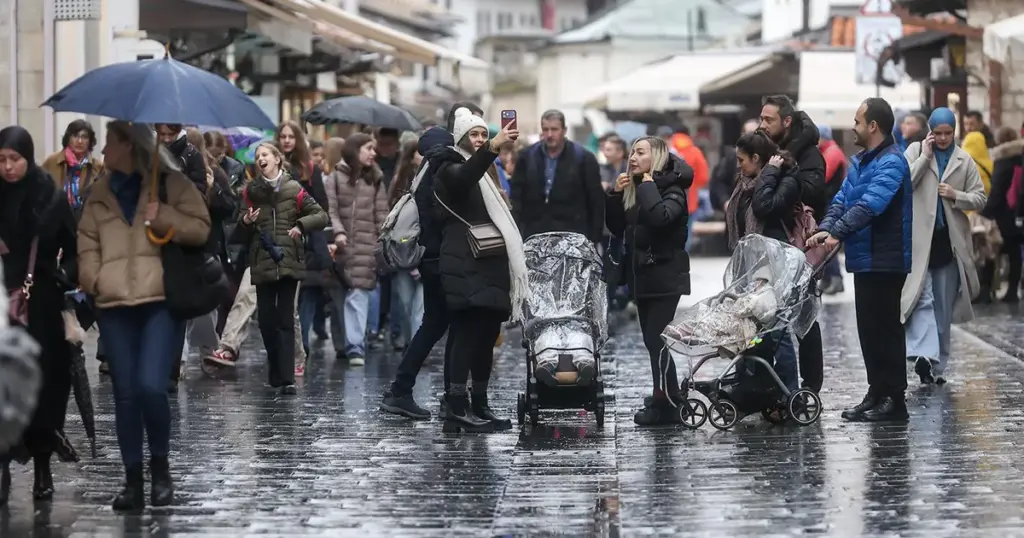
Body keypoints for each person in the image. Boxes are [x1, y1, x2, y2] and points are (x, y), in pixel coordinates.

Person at [78, 121, 211, 510]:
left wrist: (163, 216)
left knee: (152, 387)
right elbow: (86, 240)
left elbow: (201, 227)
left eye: (109, 145)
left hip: (159, 302)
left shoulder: (170, 183)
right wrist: (94, 278)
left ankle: (161, 468)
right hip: (114, 304)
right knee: (126, 394)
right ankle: (133, 479)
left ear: (129, 147)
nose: (103, 152)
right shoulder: (100, 192)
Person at [807, 97, 912, 423]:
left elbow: (871, 204)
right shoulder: (862, 161)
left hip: (886, 258)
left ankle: (894, 399)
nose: (852, 127)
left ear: (873, 126)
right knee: (868, 329)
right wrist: (826, 228)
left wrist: (839, 233)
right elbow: (842, 200)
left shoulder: (892, 162)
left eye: (856, 121)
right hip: (865, 259)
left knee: (886, 330)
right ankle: (876, 391)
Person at [434, 107, 525, 432]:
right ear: (460, 137)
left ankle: (480, 402)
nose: (480, 139)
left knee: (487, 334)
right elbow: (462, 179)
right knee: (466, 333)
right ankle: (456, 406)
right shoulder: (447, 164)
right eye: (474, 134)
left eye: (483, 135)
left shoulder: (486, 171)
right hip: (463, 261)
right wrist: (492, 148)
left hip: (488, 261)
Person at [0, 126, 77, 503]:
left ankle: (42, 466)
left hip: (39, 302)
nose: (8, 167)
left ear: (28, 158)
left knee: (42, 385)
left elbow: (73, 247)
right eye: (1, 159)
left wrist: (65, 282)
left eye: (14, 159)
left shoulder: (48, 195)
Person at [606, 136, 694, 426]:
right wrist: (616, 197)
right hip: (643, 275)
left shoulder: (673, 189)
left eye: (640, 153)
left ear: (655, 158)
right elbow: (618, 228)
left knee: (656, 340)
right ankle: (664, 395)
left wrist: (645, 185)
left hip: (666, 275)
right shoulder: (636, 187)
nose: (632, 157)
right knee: (651, 340)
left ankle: (667, 403)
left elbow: (660, 218)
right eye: (632, 152)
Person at [901, 107, 987, 386]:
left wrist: (956, 195)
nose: (942, 138)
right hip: (918, 240)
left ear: (954, 131)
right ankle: (923, 354)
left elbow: (979, 198)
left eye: (947, 133)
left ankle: (938, 366)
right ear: (929, 131)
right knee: (918, 298)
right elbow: (903, 184)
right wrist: (925, 158)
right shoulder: (915, 151)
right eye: (937, 133)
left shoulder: (964, 160)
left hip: (949, 243)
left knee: (943, 307)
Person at [234, 142, 327, 393]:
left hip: (288, 259)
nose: (260, 159)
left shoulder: (293, 188)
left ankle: (285, 379)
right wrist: (246, 220)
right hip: (262, 260)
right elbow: (238, 227)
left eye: (265, 154)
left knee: (285, 319)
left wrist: (301, 225)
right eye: (257, 156)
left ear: (276, 159)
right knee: (265, 321)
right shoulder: (251, 191)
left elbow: (321, 215)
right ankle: (276, 368)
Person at [380, 126, 459, 419]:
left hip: (429, 261)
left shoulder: (424, 173)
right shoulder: (441, 171)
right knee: (446, 325)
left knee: (434, 325)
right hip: (439, 261)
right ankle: (448, 396)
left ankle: (401, 389)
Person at [758, 94, 826, 393]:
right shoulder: (768, 148)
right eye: (761, 118)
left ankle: (811, 386)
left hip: (798, 245)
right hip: (770, 243)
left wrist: (787, 172)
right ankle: (770, 383)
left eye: (768, 119)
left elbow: (814, 192)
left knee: (804, 316)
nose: (763, 124)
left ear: (786, 121)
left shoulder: (808, 154)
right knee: (765, 314)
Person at [724, 131, 801, 391]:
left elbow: (763, 207)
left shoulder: (784, 178)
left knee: (777, 328)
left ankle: (788, 391)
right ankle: (755, 387)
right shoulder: (745, 182)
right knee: (749, 328)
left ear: (757, 158)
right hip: (750, 264)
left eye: (742, 159)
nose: (738, 165)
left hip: (772, 263)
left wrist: (768, 173)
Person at [41, 120, 106, 372]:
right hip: (58, 233)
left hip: (88, 233)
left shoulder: (98, 168)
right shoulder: (51, 163)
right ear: (67, 138)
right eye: (75, 135)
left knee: (91, 289)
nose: (79, 141)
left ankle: (100, 349)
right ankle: (60, 337)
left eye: (85, 136)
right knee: (61, 287)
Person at [324, 134, 389, 365]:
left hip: (365, 247)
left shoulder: (376, 179)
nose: (373, 153)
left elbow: (382, 214)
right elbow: (329, 210)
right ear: (355, 150)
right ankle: (344, 344)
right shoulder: (335, 178)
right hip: (340, 249)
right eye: (368, 148)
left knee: (358, 296)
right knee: (340, 299)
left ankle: (355, 347)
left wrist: (382, 241)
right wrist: (338, 231)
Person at [510, 109, 604, 244]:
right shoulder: (527, 156)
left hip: (572, 234)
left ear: (564, 130)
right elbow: (517, 196)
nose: (549, 134)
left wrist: (593, 238)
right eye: (545, 129)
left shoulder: (583, 158)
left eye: (554, 129)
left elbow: (596, 200)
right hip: (535, 234)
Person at [386, 138, 425, 346]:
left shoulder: (433, 179)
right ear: (411, 157)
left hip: (423, 251)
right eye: (420, 152)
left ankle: (415, 348)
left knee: (419, 307)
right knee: (406, 304)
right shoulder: (400, 181)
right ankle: (409, 341)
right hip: (402, 251)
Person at [982, 126, 1024, 302]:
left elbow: (997, 190)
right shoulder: (1020, 157)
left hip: (1003, 214)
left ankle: (986, 290)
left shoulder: (1003, 159)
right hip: (1018, 212)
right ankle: (1013, 290)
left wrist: (985, 212)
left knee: (990, 251)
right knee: (1015, 254)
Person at [817, 124, 848, 295]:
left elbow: (823, 176)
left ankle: (835, 278)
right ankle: (828, 278)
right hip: (830, 201)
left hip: (831, 203)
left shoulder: (832, 152)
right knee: (823, 242)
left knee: (827, 241)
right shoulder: (829, 150)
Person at [710, 119, 758, 213]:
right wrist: (725, 201)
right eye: (748, 133)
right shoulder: (732, 157)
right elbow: (719, 182)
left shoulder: (767, 156)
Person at [155, 123, 207, 196]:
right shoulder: (152, 152)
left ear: (178, 132)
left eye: (171, 134)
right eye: (162, 134)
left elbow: (201, 187)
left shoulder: (192, 154)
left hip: (183, 202)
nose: (166, 139)